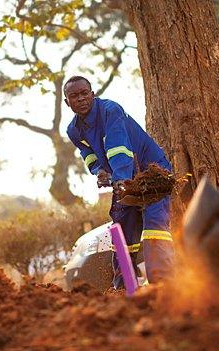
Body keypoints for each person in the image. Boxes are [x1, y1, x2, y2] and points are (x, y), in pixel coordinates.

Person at [64, 75, 174, 287]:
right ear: (68, 102)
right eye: (74, 96)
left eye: (84, 93)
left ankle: (163, 285)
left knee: (154, 227)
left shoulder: (110, 110)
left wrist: (120, 180)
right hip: (122, 179)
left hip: (151, 173)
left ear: (93, 94)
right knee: (123, 228)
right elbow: (90, 155)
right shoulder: (73, 130)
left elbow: (119, 149)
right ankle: (123, 287)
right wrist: (99, 172)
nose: (80, 99)